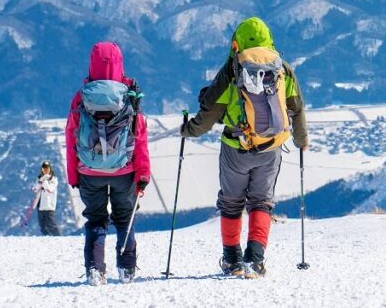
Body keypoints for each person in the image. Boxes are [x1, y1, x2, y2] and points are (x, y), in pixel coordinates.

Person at [181, 17, 308, 278]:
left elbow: (209, 112)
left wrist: (189, 129)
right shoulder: (282, 68)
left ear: (237, 41)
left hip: (235, 147)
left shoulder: (232, 69)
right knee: (261, 202)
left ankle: (233, 261)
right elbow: (296, 108)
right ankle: (255, 261)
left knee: (231, 203)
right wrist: (301, 140)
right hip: (270, 147)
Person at [65, 41, 151, 286]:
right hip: (124, 170)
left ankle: (95, 270)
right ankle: (127, 269)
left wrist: (73, 175)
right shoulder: (129, 95)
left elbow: (71, 136)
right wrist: (142, 174)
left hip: (89, 171)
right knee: (125, 218)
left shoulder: (81, 97)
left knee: (95, 219)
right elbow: (140, 136)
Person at [31, 161, 61, 236]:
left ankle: (58, 237)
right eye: (44, 169)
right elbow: (35, 189)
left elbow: (50, 189)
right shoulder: (40, 179)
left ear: (50, 169)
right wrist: (40, 181)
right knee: (42, 225)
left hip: (49, 205)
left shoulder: (53, 179)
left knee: (51, 224)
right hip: (40, 205)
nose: (46, 171)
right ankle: (47, 239)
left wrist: (44, 181)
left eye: (47, 169)